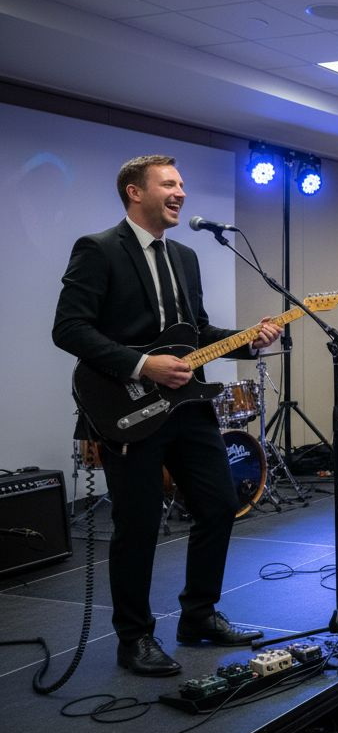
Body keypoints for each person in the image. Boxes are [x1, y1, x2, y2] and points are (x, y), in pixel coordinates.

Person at [52, 154, 282, 676]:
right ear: (135, 192)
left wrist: (253, 339)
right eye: (169, 184)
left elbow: (194, 334)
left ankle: (198, 616)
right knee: (137, 525)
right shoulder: (98, 249)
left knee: (221, 505)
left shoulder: (185, 256)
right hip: (125, 409)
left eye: (182, 185)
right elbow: (69, 329)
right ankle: (134, 638)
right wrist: (141, 364)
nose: (180, 193)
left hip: (187, 406)